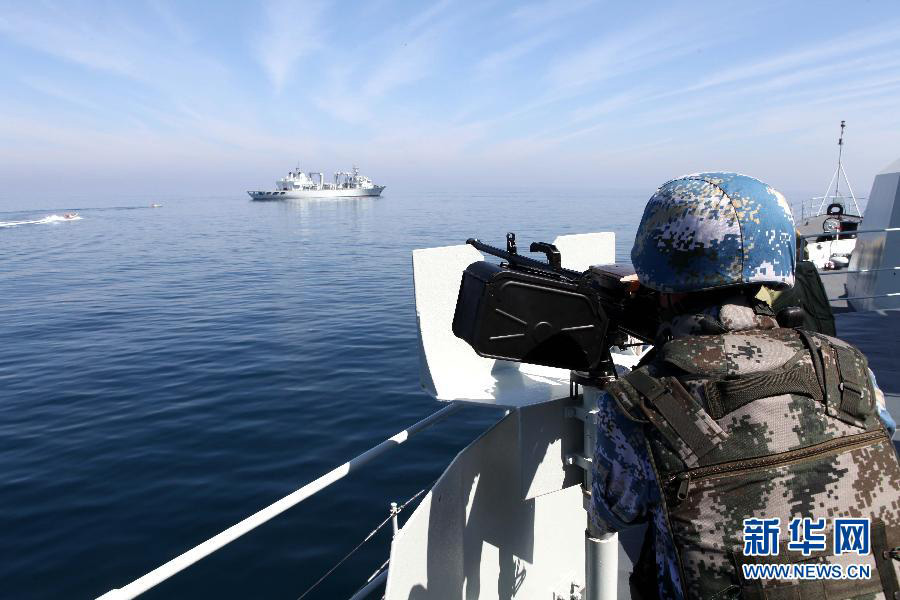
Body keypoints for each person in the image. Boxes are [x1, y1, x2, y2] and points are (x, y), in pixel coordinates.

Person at [590, 173, 900, 599]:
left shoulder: (641, 402)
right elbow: (881, 429)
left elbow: (614, 512)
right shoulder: (845, 362)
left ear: (661, 279)